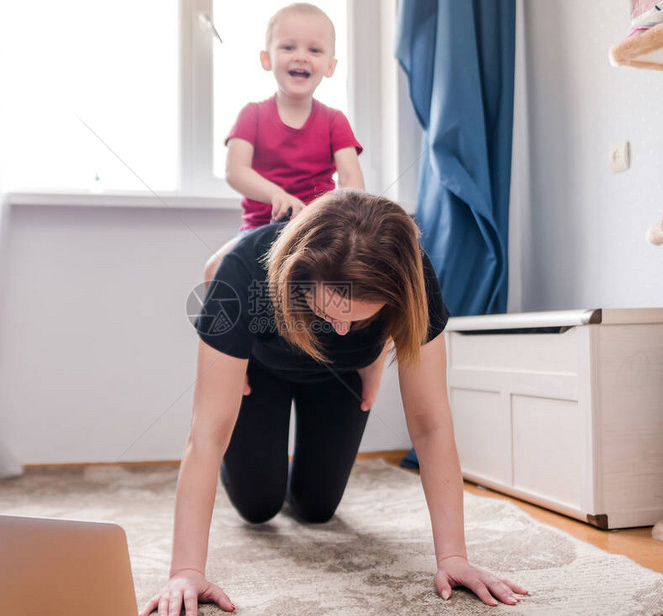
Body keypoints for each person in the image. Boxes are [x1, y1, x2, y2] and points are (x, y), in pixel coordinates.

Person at [140, 191, 529, 616]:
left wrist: (453, 558)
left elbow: (431, 425)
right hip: (261, 372)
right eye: (329, 314)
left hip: (341, 376)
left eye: (360, 318)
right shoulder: (245, 271)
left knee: (316, 508)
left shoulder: (413, 276)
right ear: (298, 278)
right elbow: (206, 435)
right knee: (258, 508)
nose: (342, 330)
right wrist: (185, 571)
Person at [203, 2, 365, 287]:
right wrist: (277, 195)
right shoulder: (251, 114)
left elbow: (352, 181)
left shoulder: (334, 120)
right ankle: (227, 333)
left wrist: (331, 214)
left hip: (317, 232)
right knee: (214, 269)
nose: (301, 57)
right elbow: (235, 171)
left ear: (330, 66)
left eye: (314, 50)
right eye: (288, 48)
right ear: (267, 59)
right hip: (259, 230)